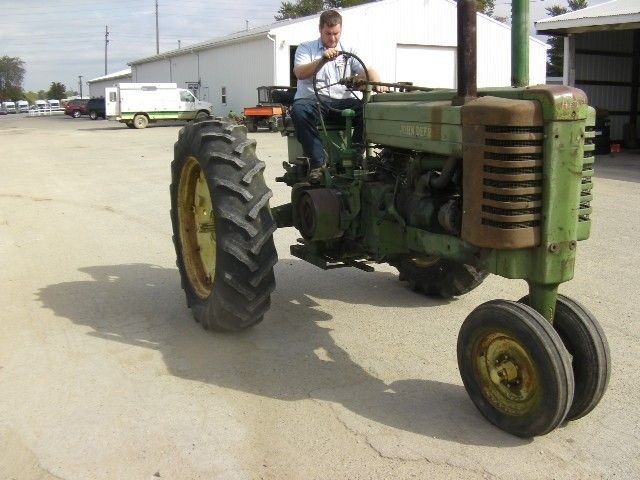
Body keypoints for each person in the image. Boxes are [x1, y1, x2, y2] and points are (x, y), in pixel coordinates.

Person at [291, 9, 385, 183]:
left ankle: (354, 156)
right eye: (328, 33)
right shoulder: (306, 48)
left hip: (342, 102)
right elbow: (300, 73)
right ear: (320, 30)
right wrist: (322, 60)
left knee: (371, 109)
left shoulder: (349, 50)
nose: (332, 38)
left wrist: (375, 80)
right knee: (299, 111)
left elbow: (368, 71)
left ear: (341, 31)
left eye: (336, 33)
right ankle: (319, 163)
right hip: (314, 101)